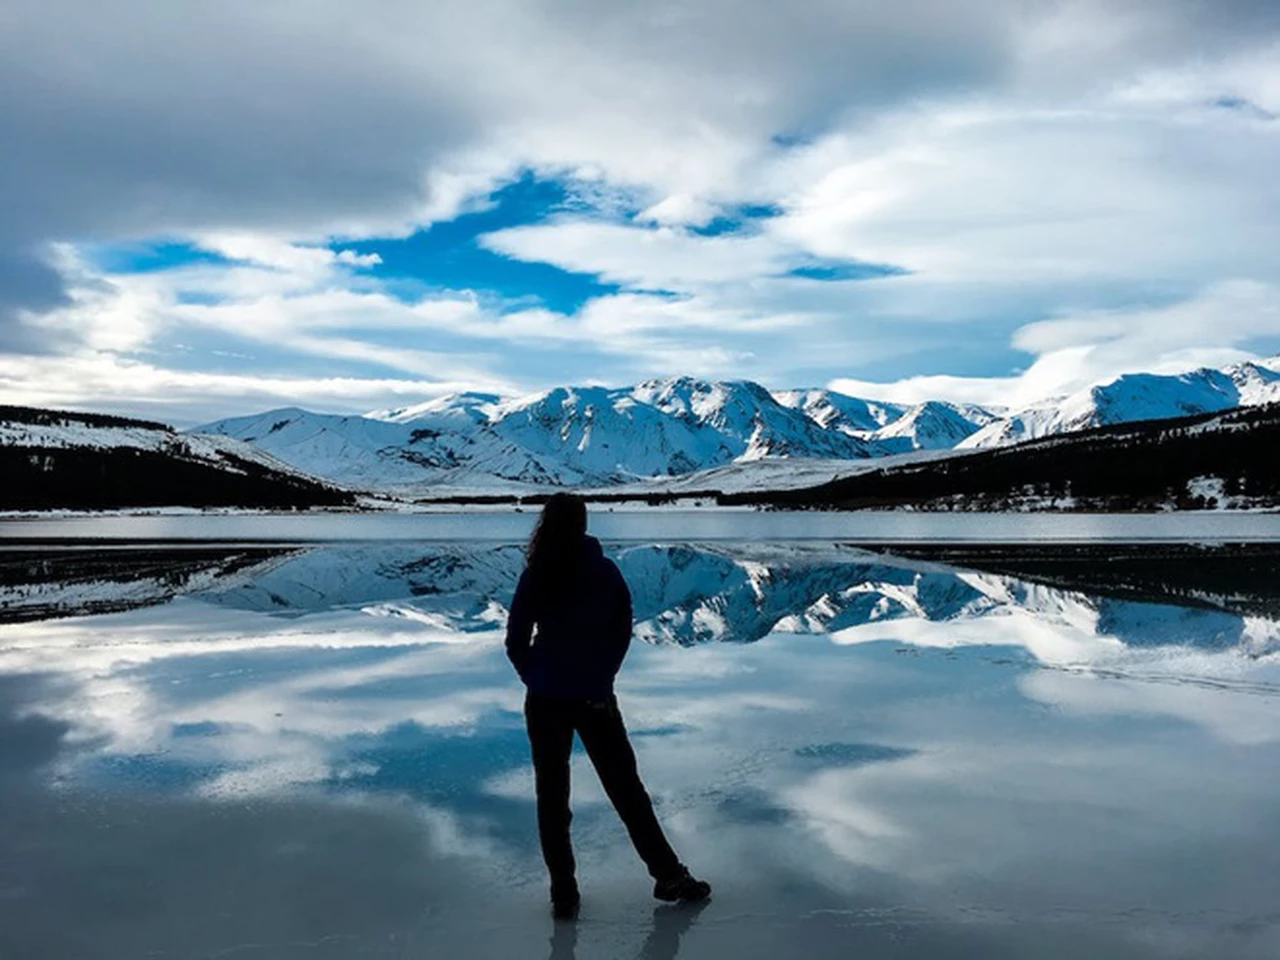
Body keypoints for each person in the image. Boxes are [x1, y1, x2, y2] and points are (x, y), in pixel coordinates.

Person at [506, 493, 711, 919]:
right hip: (594, 697)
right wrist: (602, 676)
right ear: (583, 524)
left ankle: (564, 892)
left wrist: (537, 676)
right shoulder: (604, 572)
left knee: (552, 796)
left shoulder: (537, 573)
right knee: (626, 791)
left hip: (545, 699)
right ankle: (668, 874)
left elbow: (515, 640)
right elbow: (622, 630)